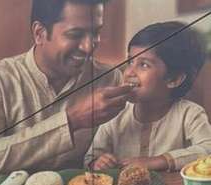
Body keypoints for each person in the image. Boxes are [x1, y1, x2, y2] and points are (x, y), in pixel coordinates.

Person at [0, 0, 129, 181]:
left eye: (96, 32)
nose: (89, 47)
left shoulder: (110, 79)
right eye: (75, 34)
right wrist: (71, 120)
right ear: (39, 33)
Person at [87, 22, 211, 173]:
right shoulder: (115, 113)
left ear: (174, 79)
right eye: (130, 61)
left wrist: (160, 161)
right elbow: (91, 156)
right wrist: (97, 162)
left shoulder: (190, 113)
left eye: (143, 65)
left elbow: (207, 150)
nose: (129, 72)